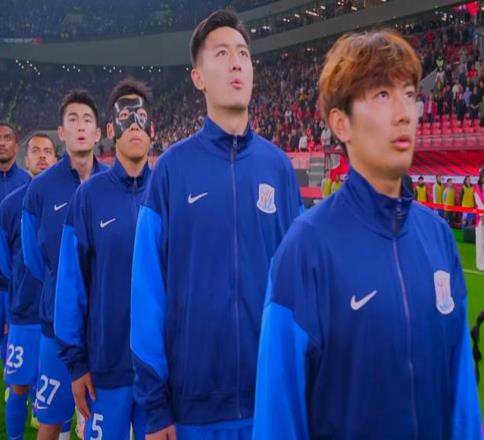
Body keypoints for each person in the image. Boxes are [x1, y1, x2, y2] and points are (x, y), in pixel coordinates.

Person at [253, 29, 481, 439]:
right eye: (382, 95)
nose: (404, 113)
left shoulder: (438, 238)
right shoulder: (306, 249)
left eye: (409, 94)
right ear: (341, 123)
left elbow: (463, 401)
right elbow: (278, 418)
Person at [130, 9, 302, 440]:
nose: (236, 63)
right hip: (193, 408)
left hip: (270, 402)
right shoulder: (171, 170)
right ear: (198, 77)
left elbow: (302, 287)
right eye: (222, 54)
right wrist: (155, 407)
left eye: (243, 53)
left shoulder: (279, 168)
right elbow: (147, 291)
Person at [55, 78, 153, 440]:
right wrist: (76, 363)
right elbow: (70, 283)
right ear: (111, 130)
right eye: (125, 117)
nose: (135, 126)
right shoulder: (88, 197)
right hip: (104, 369)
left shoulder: (170, 191)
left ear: (153, 129)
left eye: (142, 117)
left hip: (160, 373)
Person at [22, 90, 107, 440]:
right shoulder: (40, 189)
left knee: (101, 424)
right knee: (51, 421)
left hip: (103, 330)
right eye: (73, 119)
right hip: (56, 329)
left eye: (87, 120)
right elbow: (33, 258)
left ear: (98, 133)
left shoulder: (112, 185)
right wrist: (62, 287)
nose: (80, 126)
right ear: (61, 132)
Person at [0, 133, 58, 439]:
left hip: (59, 316)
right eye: (36, 151)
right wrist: (22, 285)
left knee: (57, 389)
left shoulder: (72, 199)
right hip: (25, 313)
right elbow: (3, 258)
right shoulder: (9, 206)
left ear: (56, 159)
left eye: (48, 151)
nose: (42, 155)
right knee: (19, 386)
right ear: (26, 159)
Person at [0, 121, 30, 398]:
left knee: (18, 367)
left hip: (19, 290)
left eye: (7, 137)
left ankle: (22, 415)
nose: (1, 142)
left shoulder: (29, 184)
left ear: (16, 144)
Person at [474, 170, 484, 270]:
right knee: (480, 240)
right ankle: (480, 264)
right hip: (480, 218)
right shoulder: (477, 187)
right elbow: (478, 202)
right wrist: (482, 215)